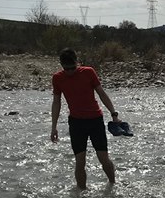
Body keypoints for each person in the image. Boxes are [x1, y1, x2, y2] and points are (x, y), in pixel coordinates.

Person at [51, 48, 119, 190]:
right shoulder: (57, 78)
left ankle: (113, 186)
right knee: (80, 162)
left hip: (95, 120)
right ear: (61, 65)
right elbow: (56, 102)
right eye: (66, 69)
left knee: (103, 158)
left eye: (73, 68)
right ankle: (81, 196)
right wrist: (54, 126)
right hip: (76, 123)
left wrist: (114, 114)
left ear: (77, 62)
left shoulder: (88, 72)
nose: (70, 71)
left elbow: (101, 93)